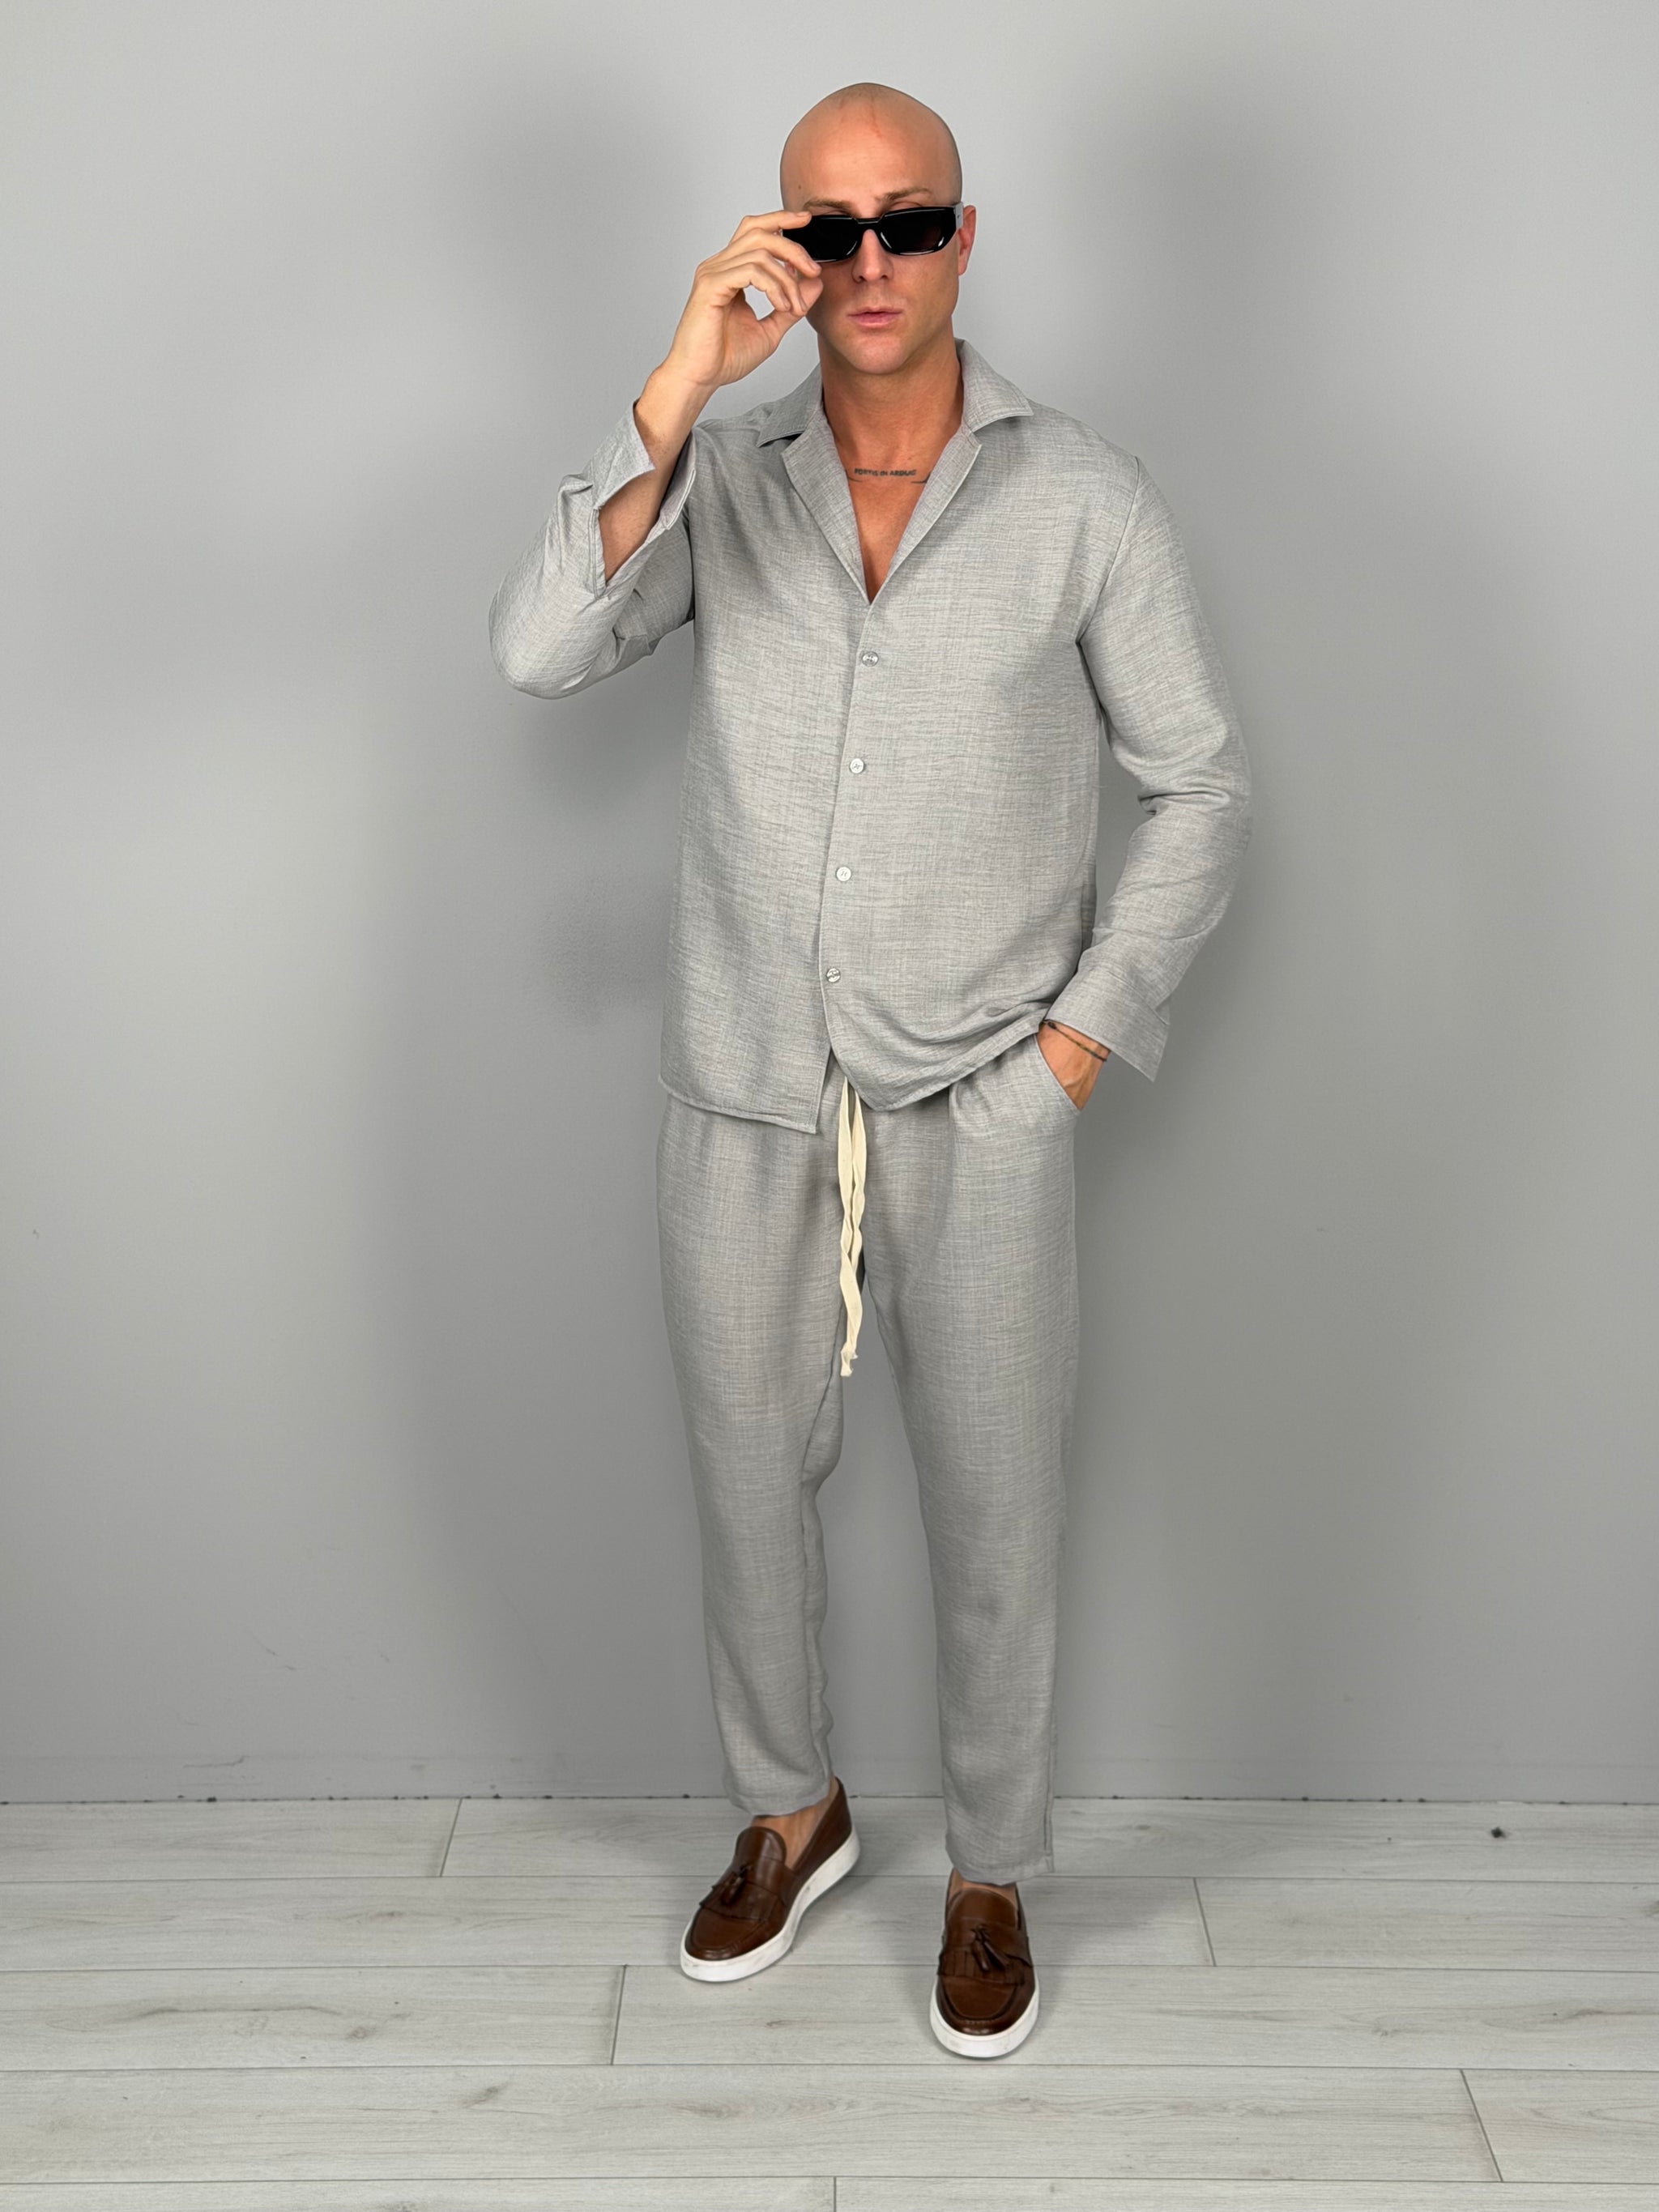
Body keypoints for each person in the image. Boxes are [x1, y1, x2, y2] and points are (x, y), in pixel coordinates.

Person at [488, 79, 1252, 2058]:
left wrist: (1072, 1044)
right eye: (829, 229)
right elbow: (539, 649)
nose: (872, 263)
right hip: (741, 1079)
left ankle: (992, 1870)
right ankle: (790, 1810)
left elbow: (1200, 785)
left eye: (907, 221)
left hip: (980, 1095)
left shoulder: (1085, 497)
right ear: (784, 250)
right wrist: (673, 384)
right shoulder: (725, 480)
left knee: (995, 1506)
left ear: (963, 237)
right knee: (746, 1485)